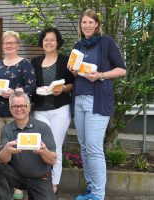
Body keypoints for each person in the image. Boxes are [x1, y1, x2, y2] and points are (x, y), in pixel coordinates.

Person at [69, 9, 126, 200]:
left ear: (97, 25)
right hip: (79, 99)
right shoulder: (78, 46)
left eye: (90, 22)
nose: (86, 26)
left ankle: (99, 195)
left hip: (97, 100)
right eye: (83, 22)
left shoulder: (106, 42)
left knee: (94, 147)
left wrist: (101, 75)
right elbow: (77, 74)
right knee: (84, 147)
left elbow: (121, 70)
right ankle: (90, 189)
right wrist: (74, 71)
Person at [0, 31, 36, 199]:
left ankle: (18, 187)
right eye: (6, 43)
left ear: (18, 45)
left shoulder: (25, 64)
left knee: (18, 149)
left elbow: (31, 87)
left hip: (18, 114)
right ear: (3, 45)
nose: (9, 45)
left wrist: (15, 91)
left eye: (13, 43)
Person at [0, 91, 57, 200]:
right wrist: (7, 150)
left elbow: (52, 160)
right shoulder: (7, 129)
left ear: (29, 107)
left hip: (40, 179)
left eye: (23, 106)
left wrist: (44, 151)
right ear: (10, 108)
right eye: (15, 106)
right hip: (18, 177)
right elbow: (3, 160)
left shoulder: (42, 127)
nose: (19, 109)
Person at [31, 27, 74, 195]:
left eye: (52, 40)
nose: (49, 42)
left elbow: (71, 84)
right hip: (40, 110)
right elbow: (30, 85)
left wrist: (62, 88)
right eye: (46, 39)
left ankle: (54, 184)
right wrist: (37, 89)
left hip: (60, 109)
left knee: (55, 146)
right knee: (40, 146)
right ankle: (41, 180)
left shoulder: (65, 60)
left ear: (57, 43)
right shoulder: (34, 62)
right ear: (42, 42)